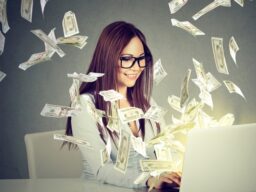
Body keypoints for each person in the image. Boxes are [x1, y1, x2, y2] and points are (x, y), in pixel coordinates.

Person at [64, 21, 181, 189]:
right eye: (127, 59)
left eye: (141, 59)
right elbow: (102, 169)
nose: (137, 67)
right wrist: (148, 180)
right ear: (108, 59)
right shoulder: (84, 105)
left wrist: (176, 172)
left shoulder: (146, 102)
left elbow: (165, 147)